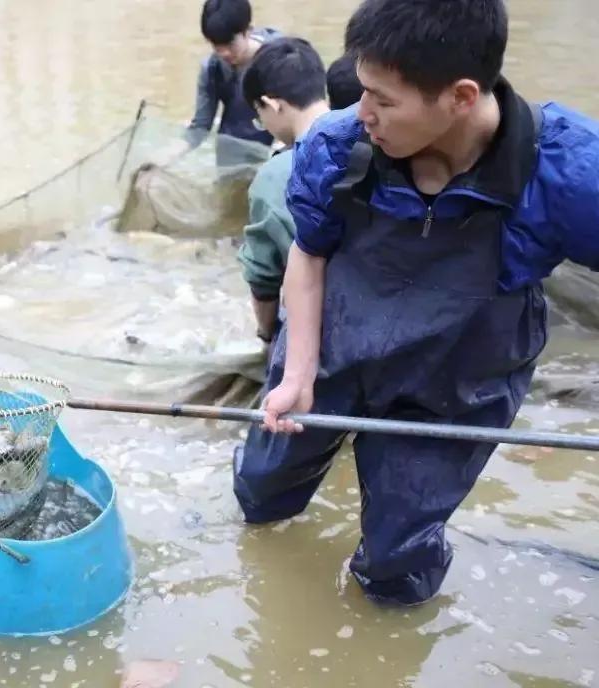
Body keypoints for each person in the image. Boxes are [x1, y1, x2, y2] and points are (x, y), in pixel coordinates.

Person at [233, 0, 599, 606]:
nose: (361, 111)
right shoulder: (336, 143)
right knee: (264, 490)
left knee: (396, 560)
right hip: (332, 345)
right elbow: (309, 252)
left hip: (459, 377)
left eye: (383, 98)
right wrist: (296, 372)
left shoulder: (571, 172)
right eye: (362, 87)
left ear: (459, 96)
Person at [237, 37, 331, 346]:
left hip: (323, 336)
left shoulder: (276, 177)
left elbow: (263, 278)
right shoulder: (379, 135)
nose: (263, 124)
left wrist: (266, 335)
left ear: (273, 104)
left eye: (259, 114)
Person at [148, 0, 281, 168]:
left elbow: (302, 112)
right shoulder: (212, 70)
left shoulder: (280, 60)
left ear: (247, 32)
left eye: (230, 44)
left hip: (273, 152)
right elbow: (200, 128)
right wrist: (164, 157)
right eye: (217, 46)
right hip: (231, 153)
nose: (224, 53)